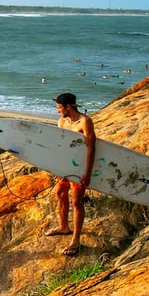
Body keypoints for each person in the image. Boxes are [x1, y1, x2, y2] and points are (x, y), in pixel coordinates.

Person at [45, 93, 96, 256]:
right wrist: (57, 167)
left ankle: (76, 239)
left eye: (60, 108)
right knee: (60, 193)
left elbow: (91, 148)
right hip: (66, 166)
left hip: (80, 168)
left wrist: (87, 173)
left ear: (69, 107)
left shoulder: (85, 122)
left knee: (76, 201)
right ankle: (63, 227)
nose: (58, 111)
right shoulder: (62, 121)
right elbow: (61, 146)